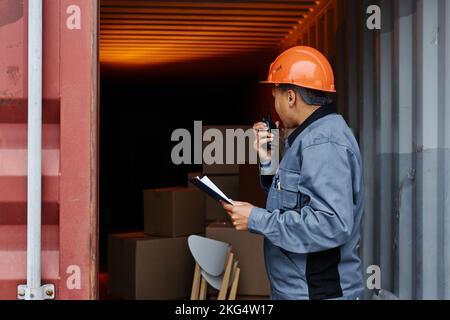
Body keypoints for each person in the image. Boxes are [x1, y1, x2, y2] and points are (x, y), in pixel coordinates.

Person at [221, 46, 365, 300]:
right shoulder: (309, 136)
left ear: (290, 97)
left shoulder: (323, 143)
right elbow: (295, 200)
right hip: (297, 290)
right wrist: (268, 161)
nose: (275, 106)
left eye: (275, 96)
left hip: (315, 293)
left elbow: (331, 224)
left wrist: (256, 219)